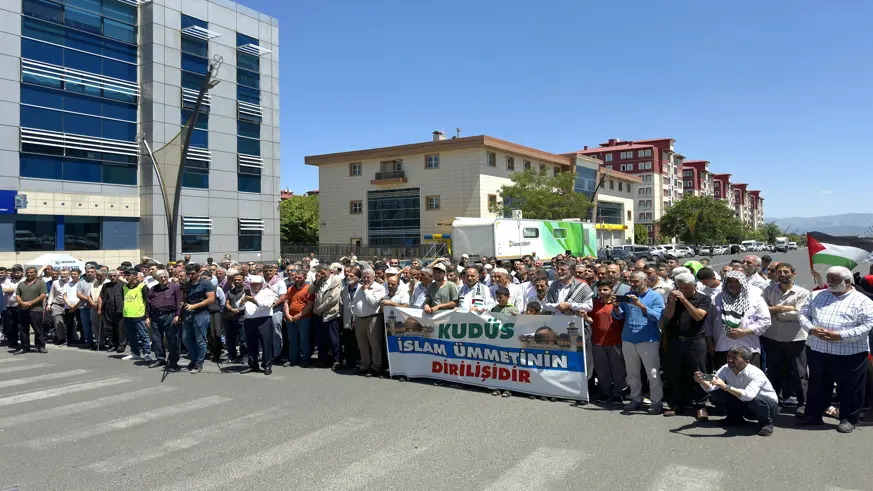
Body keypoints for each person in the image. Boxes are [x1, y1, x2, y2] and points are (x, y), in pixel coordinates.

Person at [797, 266, 873, 433]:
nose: (829, 282)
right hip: (818, 349)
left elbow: (867, 326)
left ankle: (848, 419)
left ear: (847, 282)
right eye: (828, 278)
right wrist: (811, 329)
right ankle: (814, 415)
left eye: (834, 279)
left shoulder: (863, 301)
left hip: (849, 352)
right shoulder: (816, 295)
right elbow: (802, 314)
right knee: (818, 384)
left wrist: (841, 336)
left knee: (849, 387)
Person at [695, 345, 779, 436]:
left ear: (746, 361)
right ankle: (735, 418)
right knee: (718, 392)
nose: (730, 360)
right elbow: (713, 387)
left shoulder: (755, 373)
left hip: (767, 407)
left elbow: (749, 395)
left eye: (734, 358)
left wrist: (726, 387)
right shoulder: (726, 368)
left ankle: (766, 424)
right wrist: (701, 381)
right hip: (745, 404)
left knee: (756, 398)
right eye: (728, 356)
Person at [761, 263, 811, 415]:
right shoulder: (768, 290)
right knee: (774, 372)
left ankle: (803, 404)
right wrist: (783, 308)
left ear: (793, 274)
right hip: (772, 338)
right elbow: (760, 309)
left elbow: (800, 314)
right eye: (779, 272)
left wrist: (775, 312)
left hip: (795, 339)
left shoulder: (802, 292)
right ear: (775, 274)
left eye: (786, 271)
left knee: (799, 373)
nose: (782, 274)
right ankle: (774, 402)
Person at [613, 270, 665, 414]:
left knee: (653, 373)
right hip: (629, 338)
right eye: (630, 281)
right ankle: (635, 398)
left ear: (645, 281)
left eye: (635, 281)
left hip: (648, 339)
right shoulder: (628, 296)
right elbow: (619, 316)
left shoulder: (655, 296)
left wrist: (640, 305)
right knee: (632, 372)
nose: (632, 284)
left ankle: (656, 402)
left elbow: (658, 316)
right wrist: (616, 306)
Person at [662, 272, 712, 420]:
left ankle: (701, 405)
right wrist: (672, 302)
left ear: (694, 286)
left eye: (686, 287)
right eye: (680, 287)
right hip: (676, 340)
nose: (682, 290)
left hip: (695, 341)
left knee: (699, 373)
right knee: (675, 373)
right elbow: (667, 316)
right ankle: (677, 404)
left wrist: (684, 300)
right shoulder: (673, 298)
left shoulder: (703, 298)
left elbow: (698, 316)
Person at [706, 271, 771, 369]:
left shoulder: (755, 299)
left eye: (737, 281)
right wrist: (710, 342)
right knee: (724, 380)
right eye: (730, 281)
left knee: (749, 379)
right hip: (723, 347)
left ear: (743, 282)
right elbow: (709, 322)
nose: (733, 284)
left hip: (748, 347)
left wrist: (745, 332)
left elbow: (765, 321)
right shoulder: (717, 299)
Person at [582, 280, 626, 404]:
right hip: (598, 341)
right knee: (602, 369)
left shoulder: (618, 303)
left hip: (615, 341)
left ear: (611, 290)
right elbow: (592, 320)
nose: (602, 292)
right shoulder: (594, 303)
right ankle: (605, 392)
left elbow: (623, 317)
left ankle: (618, 393)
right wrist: (585, 317)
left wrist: (616, 306)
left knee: (618, 369)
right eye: (600, 290)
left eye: (605, 289)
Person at [180, 263, 215, 373]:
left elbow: (211, 299)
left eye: (193, 273)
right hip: (188, 314)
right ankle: (193, 360)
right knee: (186, 338)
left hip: (201, 314)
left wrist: (195, 306)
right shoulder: (187, 284)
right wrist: (183, 303)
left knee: (200, 340)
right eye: (188, 273)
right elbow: (185, 298)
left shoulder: (206, 283)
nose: (190, 276)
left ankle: (199, 363)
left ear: (199, 272)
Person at [352, 268, 386, 377]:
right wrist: (354, 318)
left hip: (373, 318)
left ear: (374, 277)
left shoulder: (379, 288)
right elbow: (355, 304)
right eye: (364, 277)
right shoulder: (359, 288)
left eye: (368, 277)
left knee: (375, 343)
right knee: (362, 343)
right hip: (359, 318)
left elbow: (373, 302)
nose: (366, 279)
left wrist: (366, 290)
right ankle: (365, 364)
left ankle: (377, 366)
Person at [146, 269, 182, 370]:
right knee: (156, 339)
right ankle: (160, 359)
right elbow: (148, 304)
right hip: (156, 316)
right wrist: (147, 317)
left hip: (170, 315)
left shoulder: (175, 287)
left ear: (167, 276)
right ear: (157, 278)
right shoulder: (153, 289)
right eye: (160, 277)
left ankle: (173, 362)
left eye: (164, 276)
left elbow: (179, 302)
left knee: (172, 339)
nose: (163, 279)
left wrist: (177, 315)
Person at [243, 275, 277, 375]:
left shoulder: (268, 292)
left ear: (261, 284)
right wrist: (241, 302)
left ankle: (267, 365)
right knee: (251, 343)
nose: (254, 286)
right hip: (249, 320)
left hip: (263, 320)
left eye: (257, 284)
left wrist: (254, 301)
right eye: (252, 284)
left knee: (266, 343)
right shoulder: (248, 293)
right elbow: (238, 306)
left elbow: (267, 305)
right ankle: (253, 364)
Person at [313, 264, 343, 369]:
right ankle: (322, 359)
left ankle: (336, 360)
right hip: (318, 314)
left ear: (329, 271)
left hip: (331, 314)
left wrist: (320, 308)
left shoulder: (336, 281)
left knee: (333, 339)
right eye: (319, 273)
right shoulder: (319, 281)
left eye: (323, 272)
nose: (321, 275)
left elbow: (333, 298)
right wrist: (316, 281)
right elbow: (310, 291)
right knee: (321, 339)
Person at [14, 266, 47, 354]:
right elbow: (17, 295)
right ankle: (25, 347)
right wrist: (22, 303)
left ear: (35, 273)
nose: (29, 274)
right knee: (23, 329)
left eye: (31, 272)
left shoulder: (40, 283)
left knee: (38, 329)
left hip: (36, 309)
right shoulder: (21, 284)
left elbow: (43, 295)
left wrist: (31, 303)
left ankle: (40, 346)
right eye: (27, 272)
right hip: (23, 309)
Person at [284, 270, 314, 367]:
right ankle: (293, 359)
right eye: (295, 277)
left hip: (304, 318)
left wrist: (300, 315)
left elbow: (309, 305)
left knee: (304, 339)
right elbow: (286, 303)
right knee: (292, 339)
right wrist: (287, 314)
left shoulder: (309, 289)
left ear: (304, 278)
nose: (297, 279)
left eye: (299, 277)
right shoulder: (290, 289)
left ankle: (306, 359)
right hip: (291, 318)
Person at [122, 269, 152, 362]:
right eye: (126, 275)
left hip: (139, 315)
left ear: (135, 276)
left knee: (143, 335)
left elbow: (148, 302)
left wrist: (147, 316)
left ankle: (147, 353)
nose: (127, 277)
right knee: (131, 336)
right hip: (127, 315)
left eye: (129, 275)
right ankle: (135, 353)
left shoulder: (142, 287)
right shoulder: (124, 287)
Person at [98, 269, 126, 352]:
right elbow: (101, 297)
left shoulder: (124, 285)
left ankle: (121, 345)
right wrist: (99, 309)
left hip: (119, 310)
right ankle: (112, 344)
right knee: (109, 328)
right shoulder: (105, 285)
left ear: (118, 276)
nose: (112, 277)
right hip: (107, 310)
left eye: (114, 276)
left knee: (120, 328)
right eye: (111, 276)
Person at [223, 273, 248, 364]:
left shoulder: (247, 291)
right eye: (235, 280)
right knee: (230, 339)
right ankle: (232, 356)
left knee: (243, 340)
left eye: (239, 279)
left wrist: (238, 310)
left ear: (243, 280)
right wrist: (232, 309)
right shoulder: (230, 291)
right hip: (231, 317)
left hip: (243, 317)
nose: (237, 281)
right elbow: (227, 303)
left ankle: (244, 357)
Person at [2, 266, 23, 349]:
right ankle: (13, 342)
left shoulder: (23, 281)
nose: (16, 274)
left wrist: (8, 289)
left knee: (22, 326)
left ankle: (24, 343)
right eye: (14, 272)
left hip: (20, 306)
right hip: (9, 306)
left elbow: (9, 290)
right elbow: (5, 289)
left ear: (22, 272)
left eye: (18, 272)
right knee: (12, 325)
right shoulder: (11, 281)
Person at [76, 266, 97, 349]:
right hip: (84, 307)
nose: (90, 273)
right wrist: (88, 299)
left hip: (95, 307)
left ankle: (99, 341)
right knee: (86, 325)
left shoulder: (98, 282)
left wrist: (93, 301)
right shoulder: (81, 282)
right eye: (88, 272)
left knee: (96, 325)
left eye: (92, 272)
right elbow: (78, 294)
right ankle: (89, 342)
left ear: (95, 273)